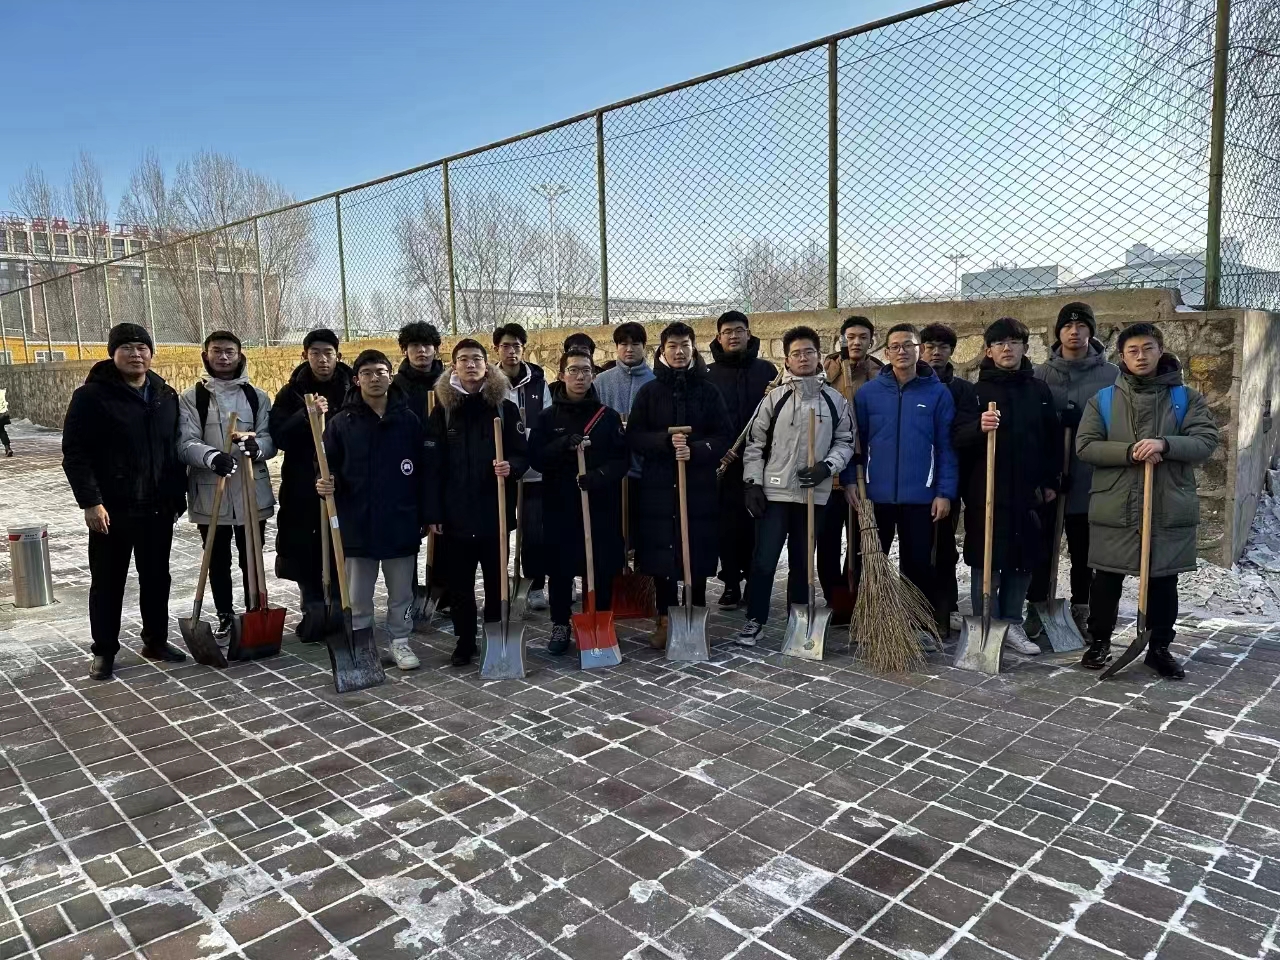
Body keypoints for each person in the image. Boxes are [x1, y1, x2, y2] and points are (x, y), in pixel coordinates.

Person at [1076, 322, 1219, 679]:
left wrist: (1165, 444)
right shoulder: (1104, 400)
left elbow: (1205, 441)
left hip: (1166, 503)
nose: (1141, 356)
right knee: (1106, 577)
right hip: (1116, 504)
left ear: (1160, 350)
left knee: (1162, 580)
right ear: (1122, 357)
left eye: (1148, 348)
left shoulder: (1185, 399)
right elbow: (1086, 446)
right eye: (1133, 350)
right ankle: (1100, 641)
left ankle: (1158, 648)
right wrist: (1131, 451)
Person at [62, 323, 188, 681]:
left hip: (157, 507)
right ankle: (104, 650)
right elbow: (75, 453)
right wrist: (91, 502)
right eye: (127, 348)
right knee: (108, 581)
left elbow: (172, 450)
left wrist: (176, 495)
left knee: (156, 578)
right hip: (112, 509)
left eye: (142, 347)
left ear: (151, 353)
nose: (136, 354)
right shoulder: (91, 397)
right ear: (113, 353)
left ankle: (156, 641)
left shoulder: (165, 395)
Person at [736, 326, 855, 645]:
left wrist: (827, 468)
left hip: (812, 494)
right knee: (764, 560)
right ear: (787, 360)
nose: (803, 358)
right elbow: (755, 443)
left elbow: (845, 441)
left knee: (803, 563)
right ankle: (755, 619)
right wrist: (752, 483)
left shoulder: (834, 401)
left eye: (809, 352)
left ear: (819, 356)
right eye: (796, 353)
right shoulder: (775, 398)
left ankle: (798, 621)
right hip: (775, 492)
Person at [840, 323, 956, 645]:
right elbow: (854, 442)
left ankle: (917, 625)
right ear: (886, 352)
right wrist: (850, 480)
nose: (902, 351)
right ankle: (869, 622)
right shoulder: (869, 394)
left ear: (919, 350)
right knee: (868, 559)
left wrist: (944, 492)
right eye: (895, 346)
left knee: (917, 564)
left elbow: (946, 447)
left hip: (920, 496)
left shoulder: (937, 394)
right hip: (874, 495)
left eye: (908, 345)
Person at [315, 350, 430, 671]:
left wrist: (424, 513)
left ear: (390, 376)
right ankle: (361, 643)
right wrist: (325, 482)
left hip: (400, 519)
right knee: (358, 594)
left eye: (381, 372)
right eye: (367, 373)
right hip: (357, 521)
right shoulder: (341, 423)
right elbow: (326, 464)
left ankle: (400, 641)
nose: (374, 378)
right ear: (357, 379)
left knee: (401, 593)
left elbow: (423, 470)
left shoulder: (408, 420)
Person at [952, 318, 1060, 656]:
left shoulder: (1038, 391)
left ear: (1025, 348)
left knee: (1022, 559)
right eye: (999, 343)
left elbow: (1052, 440)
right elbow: (957, 437)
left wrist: (1050, 481)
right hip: (986, 492)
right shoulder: (976, 392)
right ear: (988, 351)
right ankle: (986, 622)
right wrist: (978, 427)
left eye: (1014, 342)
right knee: (986, 558)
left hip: (1027, 492)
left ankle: (1012, 622)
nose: (1007, 348)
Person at [627, 322, 732, 648]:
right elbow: (634, 435)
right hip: (658, 486)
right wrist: (665, 442)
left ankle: (695, 613)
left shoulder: (709, 391)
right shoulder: (649, 392)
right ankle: (665, 617)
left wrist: (696, 450)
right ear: (662, 351)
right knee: (662, 553)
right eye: (672, 346)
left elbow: (724, 435)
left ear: (693, 348)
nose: (679, 351)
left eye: (685, 345)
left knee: (695, 549)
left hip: (698, 484)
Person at [424, 339, 528, 666]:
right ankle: (465, 639)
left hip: (494, 511)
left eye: (477, 359)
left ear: (487, 364)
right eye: (464, 360)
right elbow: (432, 466)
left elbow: (522, 453)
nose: (471, 365)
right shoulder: (443, 411)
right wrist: (434, 511)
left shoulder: (504, 408)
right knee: (460, 583)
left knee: (497, 580)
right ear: (453, 366)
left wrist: (511, 466)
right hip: (455, 514)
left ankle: (495, 634)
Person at [1025, 302, 1118, 638]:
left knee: (1084, 551)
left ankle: (1082, 607)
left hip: (1090, 478)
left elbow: (1118, 422)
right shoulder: (1041, 374)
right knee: (1042, 547)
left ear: (1091, 331)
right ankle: (1036, 606)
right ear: (1058, 332)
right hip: (1051, 478)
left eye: (1081, 326)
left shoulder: (1111, 376)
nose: (1074, 332)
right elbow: (1031, 426)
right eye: (1067, 326)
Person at [177, 331, 276, 641]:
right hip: (212, 491)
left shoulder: (256, 396)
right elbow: (185, 443)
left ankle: (253, 611)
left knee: (252, 557)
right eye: (216, 351)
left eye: (229, 351)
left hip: (250, 489)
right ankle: (225, 614)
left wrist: (257, 448)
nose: (223, 357)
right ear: (205, 355)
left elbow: (270, 439)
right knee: (216, 558)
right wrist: (211, 457)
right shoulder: (192, 398)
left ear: (239, 355)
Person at [528, 349, 629, 653]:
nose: (580, 376)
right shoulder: (547, 418)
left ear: (593, 375)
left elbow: (622, 460)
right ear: (561, 375)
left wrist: (598, 476)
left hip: (600, 505)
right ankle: (560, 623)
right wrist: (562, 444)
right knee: (560, 567)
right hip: (560, 505)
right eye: (573, 370)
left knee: (601, 565)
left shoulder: (608, 417)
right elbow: (536, 458)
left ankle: (600, 619)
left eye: (586, 370)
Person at [269, 329, 352, 623]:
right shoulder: (291, 392)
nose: (322, 359)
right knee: (305, 544)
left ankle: (341, 604)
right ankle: (313, 605)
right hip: (302, 481)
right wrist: (305, 414)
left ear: (338, 356)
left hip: (343, 480)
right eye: (315, 353)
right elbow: (279, 436)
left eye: (328, 353)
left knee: (342, 541)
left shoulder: (351, 389)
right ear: (305, 356)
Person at [707, 310, 778, 608]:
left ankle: (753, 581)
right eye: (727, 332)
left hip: (760, 462)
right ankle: (731, 582)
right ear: (719, 337)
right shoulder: (707, 373)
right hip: (724, 463)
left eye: (739, 330)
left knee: (756, 523)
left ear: (749, 334)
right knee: (726, 526)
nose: (733, 336)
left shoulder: (767, 371)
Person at [818, 316, 882, 622]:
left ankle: (855, 596)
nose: (856, 342)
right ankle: (835, 599)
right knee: (827, 540)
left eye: (863, 337)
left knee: (861, 538)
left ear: (872, 341)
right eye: (851, 336)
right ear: (842, 339)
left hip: (863, 471)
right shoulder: (825, 371)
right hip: (830, 472)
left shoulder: (878, 374)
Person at [919, 323, 978, 635]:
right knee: (918, 548)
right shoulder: (911, 385)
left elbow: (962, 435)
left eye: (942, 347)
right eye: (929, 346)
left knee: (943, 547)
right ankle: (916, 607)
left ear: (952, 351)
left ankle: (945, 608)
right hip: (915, 480)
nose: (935, 352)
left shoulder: (963, 390)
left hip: (948, 478)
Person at [494, 323, 551, 610]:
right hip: (502, 470)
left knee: (534, 531)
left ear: (523, 349)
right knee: (500, 530)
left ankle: (535, 584)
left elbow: (547, 422)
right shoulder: (490, 383)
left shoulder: (538, 383)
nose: (511, 351)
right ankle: (500, 586)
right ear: (496, 349)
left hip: (534, 472)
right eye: (505, 346)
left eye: (516, 346)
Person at [594, 322, 655, 417]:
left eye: (635, 344)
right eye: (624, 344)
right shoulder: (600, 382)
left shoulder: (655, 380)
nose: (629, 349)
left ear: (644, 346)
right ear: (616, 346)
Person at [393, 321, 445, 423]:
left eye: (427, 344)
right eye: (415, 345)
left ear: (435, 349)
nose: (421, 350)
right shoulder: (396, 384)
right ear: (405, 350)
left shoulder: (447, 382)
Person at [0, 388, 11, 456]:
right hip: (2, 414)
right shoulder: (2, 392)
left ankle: (8, 448)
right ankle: (8, 448)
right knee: (1, 431)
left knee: (1, 431)